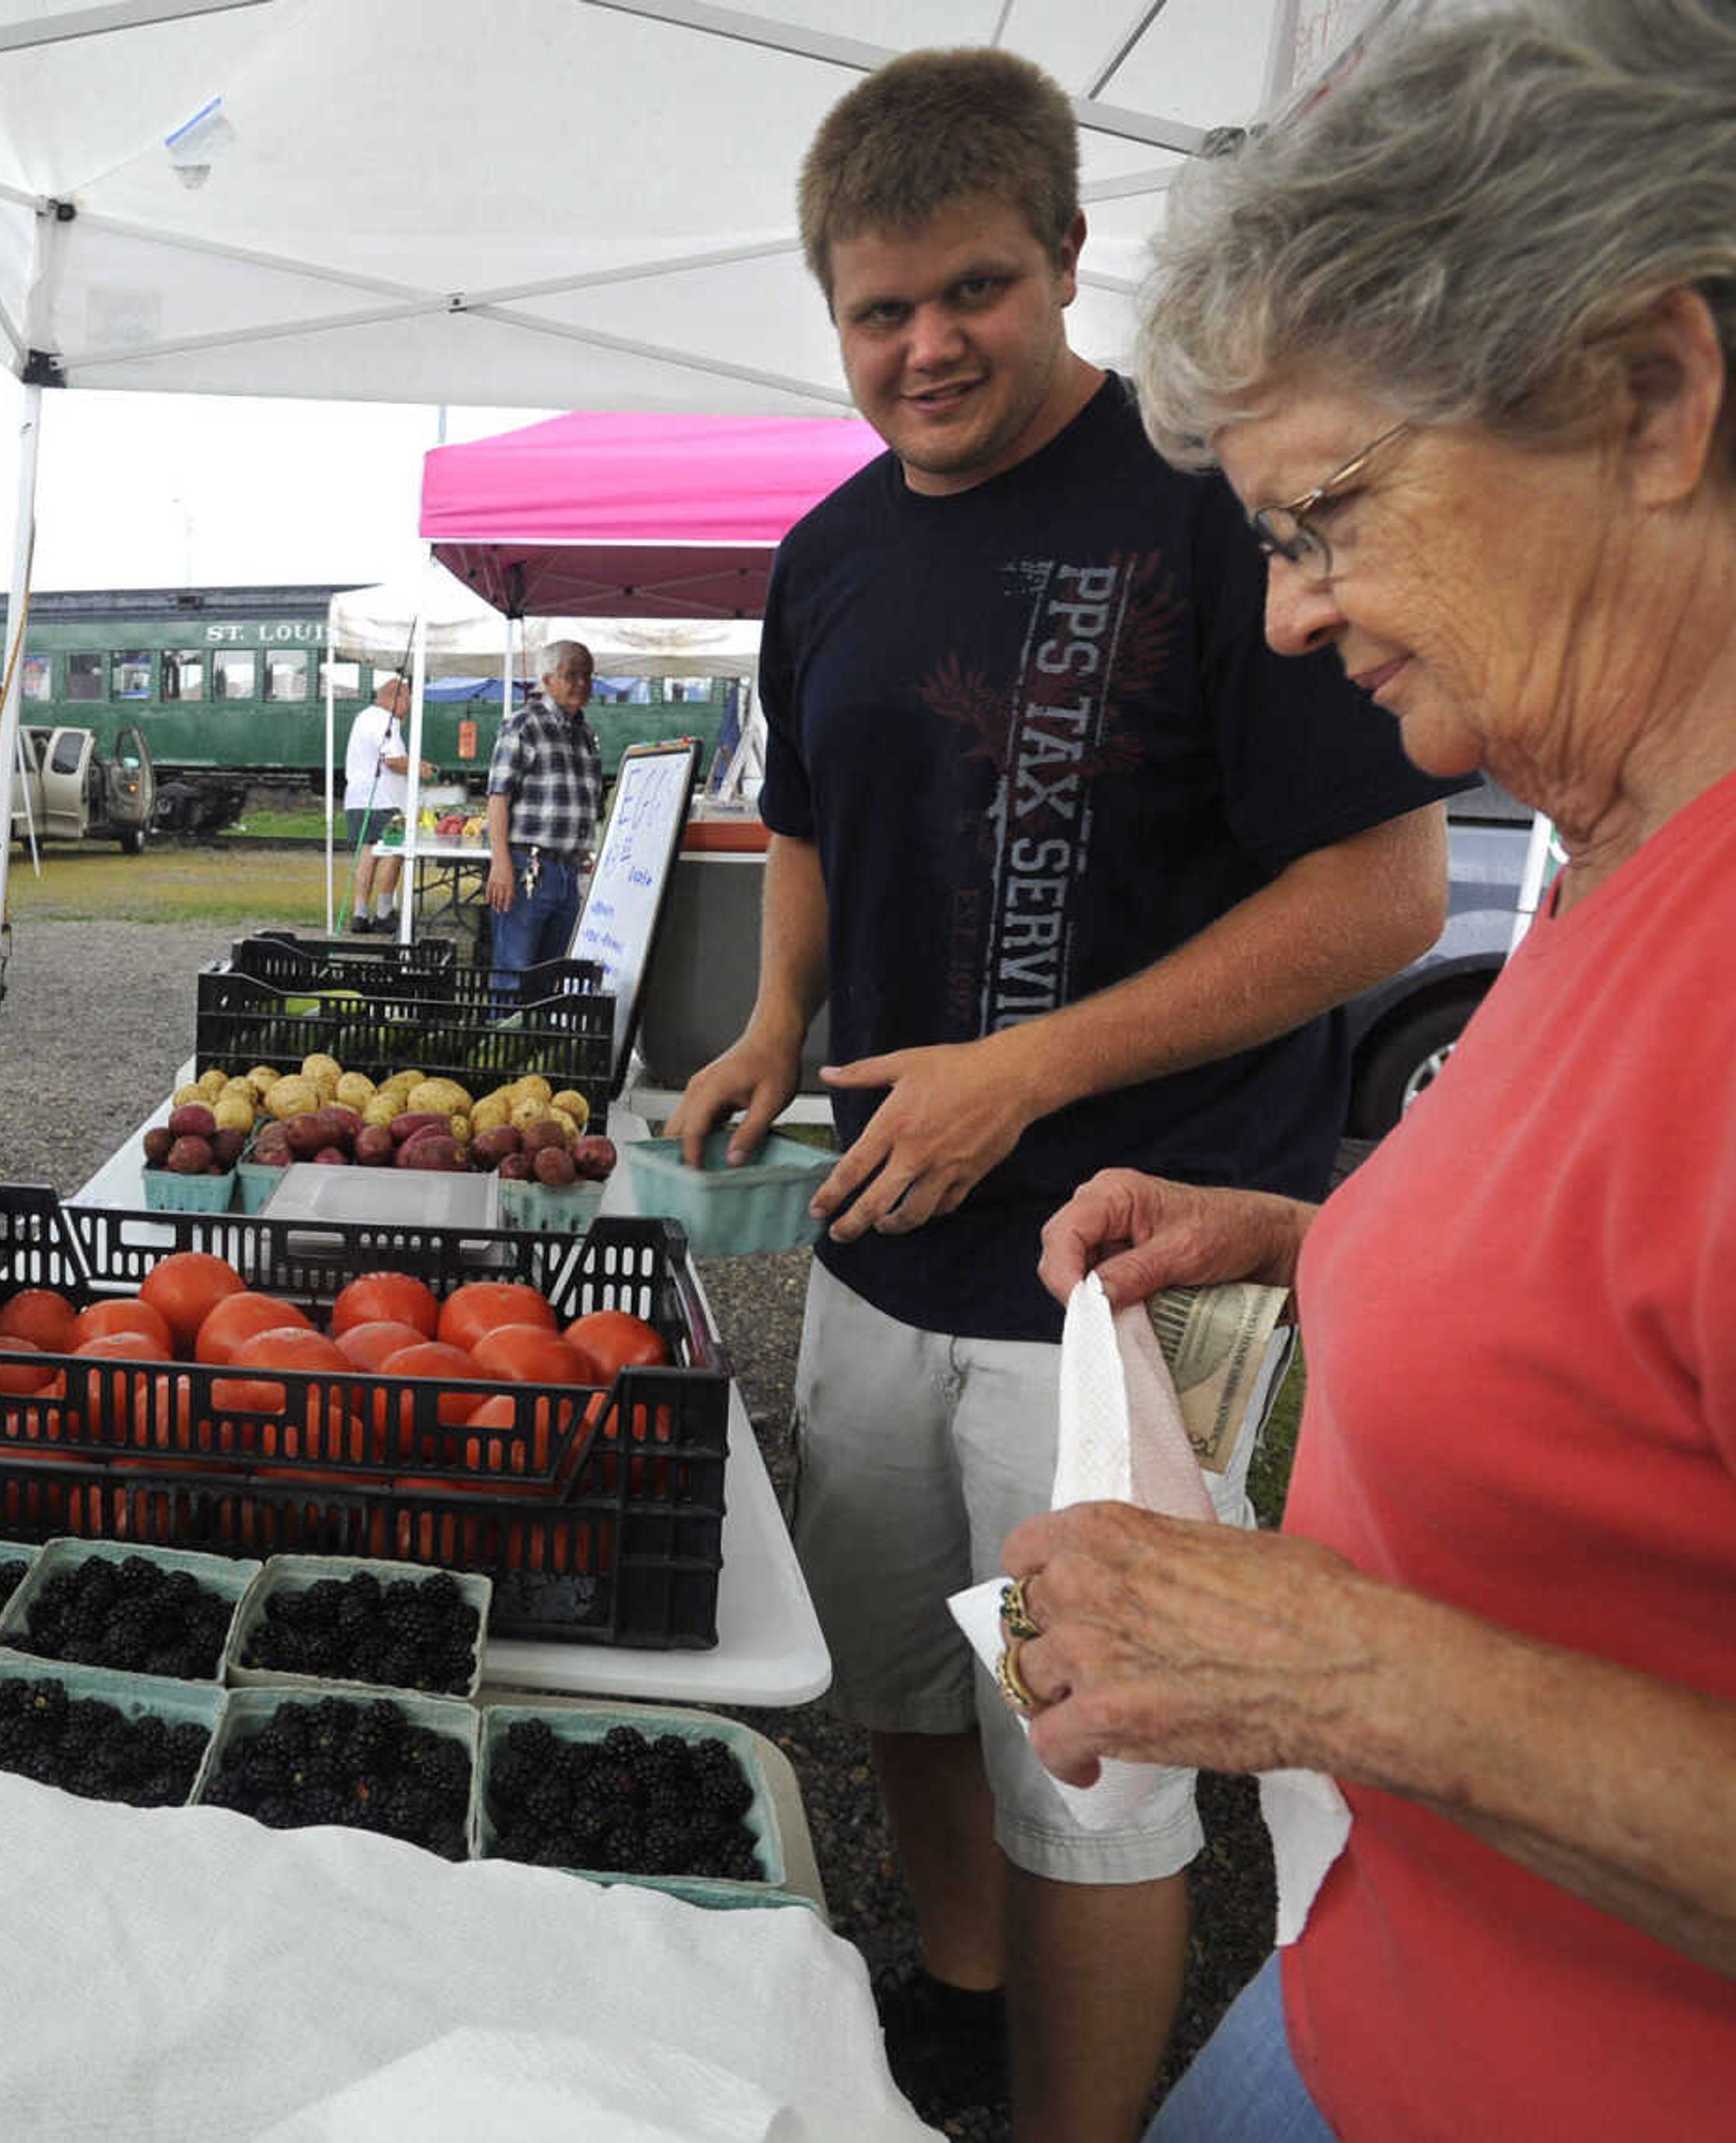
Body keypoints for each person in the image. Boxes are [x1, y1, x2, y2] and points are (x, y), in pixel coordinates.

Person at [660, 47, 1459, 2141]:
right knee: (911, 1670)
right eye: (878, 310)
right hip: (881, 1244)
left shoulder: (1206, 509)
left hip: (1139, 1277)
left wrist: (1035, 1068)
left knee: (1086, 1752)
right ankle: (960, 1992)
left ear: (1069, 261)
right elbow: (816, 816)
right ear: (831, 311)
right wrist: (772, 1023)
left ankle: (1072, 2122)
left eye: (974, 292)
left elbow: (1383, 888)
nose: (927, 346)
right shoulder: (826, 553)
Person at [992, 5, 1736, 2136]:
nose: (1295, 616)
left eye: (1327, 517)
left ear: (1652, 398)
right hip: (1364, 2001)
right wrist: (1328, 1247)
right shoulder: (1617, 840)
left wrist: (1331, 1673)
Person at [481, 641, 603, 979]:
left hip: (568, 873)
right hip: (528, 869)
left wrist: (584, 853)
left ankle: (539, 1033)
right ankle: (504, 1032)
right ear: (547, 680)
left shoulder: (586, 733)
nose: (581, 683)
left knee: (553, 972)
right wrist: (501, 863)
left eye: (588, 676)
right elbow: (498, 798)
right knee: (515, 971)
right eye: (571, 675)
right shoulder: (524, 724)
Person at [340, 675, 425, 930]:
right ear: (394, 698)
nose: (408, 707)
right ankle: (385, 912)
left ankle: (359, 913)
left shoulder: (363, 717)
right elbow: (392, 760)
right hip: (383, 799)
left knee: (368, 852)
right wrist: (420, 768)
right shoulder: (385, 720)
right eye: (407, 700)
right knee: (394, 851)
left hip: (358, 797)